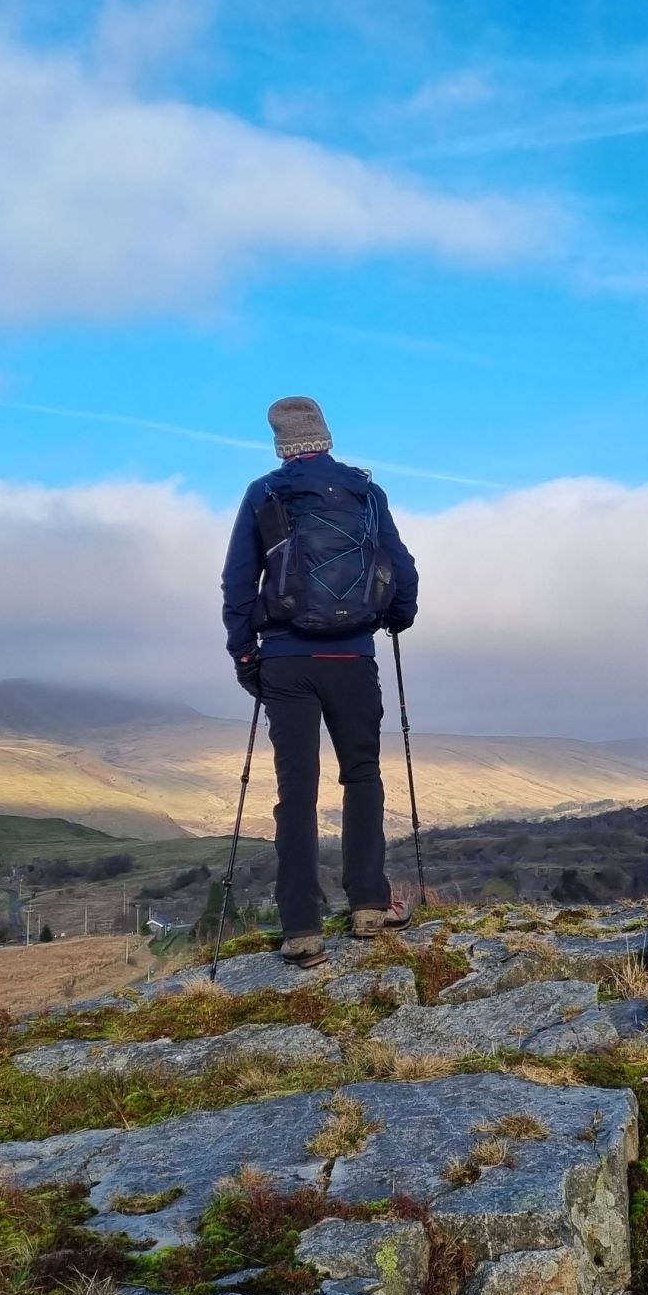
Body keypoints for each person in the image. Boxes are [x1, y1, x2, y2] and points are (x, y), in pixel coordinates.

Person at [220, 397, 419, 968]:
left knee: (296, 792)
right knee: (362, 776)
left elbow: (237, 578)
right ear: (326, 438)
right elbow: (400, 567)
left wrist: (243, 652)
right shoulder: (366, 492)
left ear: (280, 444)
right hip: (353, 658)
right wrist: (396, 617)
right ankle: (370, 907)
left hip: (285, 660)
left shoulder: (265, 493)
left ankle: (302, 929)